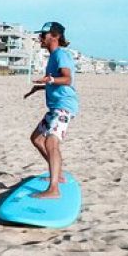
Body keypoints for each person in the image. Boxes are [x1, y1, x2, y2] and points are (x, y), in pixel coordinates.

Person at [23, 21, 80, 199]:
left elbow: (67, 79)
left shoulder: (60, 54)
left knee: (50, 142)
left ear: (55, 37)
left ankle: (53, 189)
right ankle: (58, 174)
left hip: (64, 106)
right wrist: (40, 87)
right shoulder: (53, 57)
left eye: (44, 34)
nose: (40, 37)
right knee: (37, 139)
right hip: (55, 106)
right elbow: (55, 80)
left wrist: (49, 80)